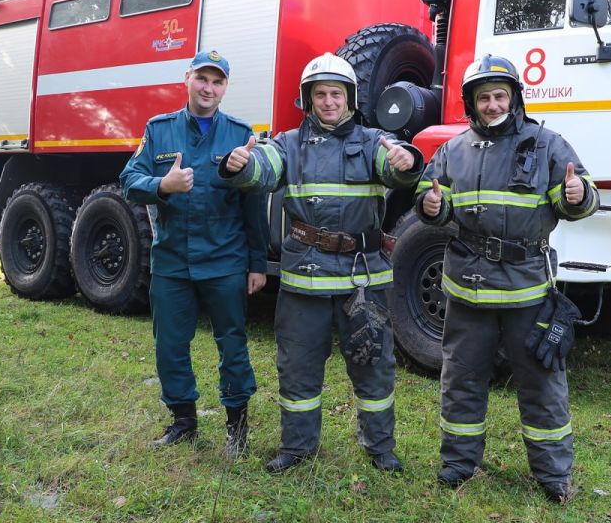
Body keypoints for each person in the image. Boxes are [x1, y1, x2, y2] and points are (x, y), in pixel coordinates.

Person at [220, 52, 423, 474]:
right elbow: (262, 169)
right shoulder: (288, 144)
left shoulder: (373, 142)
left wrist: (407, 162)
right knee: (297, 367)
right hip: (304, 281)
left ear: (349, 98)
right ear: (307, 100)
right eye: (320, 94)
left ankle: (380, 447)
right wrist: (240, 166)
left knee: (374, 367)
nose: (328, 101)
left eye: (336, 93)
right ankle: (297, 448)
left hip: (362, 280)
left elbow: (397, 166)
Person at [415, 54, 599, 503]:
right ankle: (459, 464)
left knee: (542, 383)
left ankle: (553, 475)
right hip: (467, 289)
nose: (493, 104)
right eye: (484, 98)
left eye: (500, 96)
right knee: (461, 378)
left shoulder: (547, 145)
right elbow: (428, 196)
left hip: (527, 290)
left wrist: (578, 195)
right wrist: (431, 207)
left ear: (514, 98)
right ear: (471, 103)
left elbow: (580, 198)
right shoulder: (453, 151)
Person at [120, 50, 267, 458]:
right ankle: (183, 420)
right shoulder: (160, 129)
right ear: (187, 78)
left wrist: (257, 263)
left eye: (217, 82)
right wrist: (162, 185)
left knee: (232, 343)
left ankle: (237, 424)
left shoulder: (240, 134)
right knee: (169, 344)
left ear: (225, 88)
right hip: (172, 261)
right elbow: (129, 180)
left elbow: (252, 205)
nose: (209, 88)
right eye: (202, 78)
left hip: (225, 260)